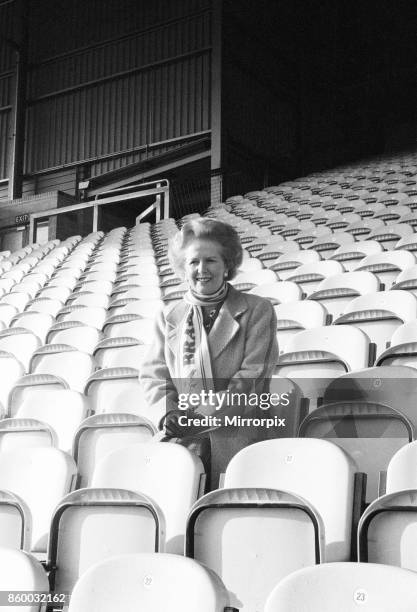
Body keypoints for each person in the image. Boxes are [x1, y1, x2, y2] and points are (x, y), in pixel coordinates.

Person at [139, 218, 278, 487]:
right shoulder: (168, 316)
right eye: (193, 262)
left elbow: (253, 376)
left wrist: (201, 414)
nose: (202, 269)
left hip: (237, 435)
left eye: (211, 260)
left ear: (227, 264)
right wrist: (169, 413)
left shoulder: (257, 310)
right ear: (183, 268)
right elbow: (154, 375)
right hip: (182, 437)